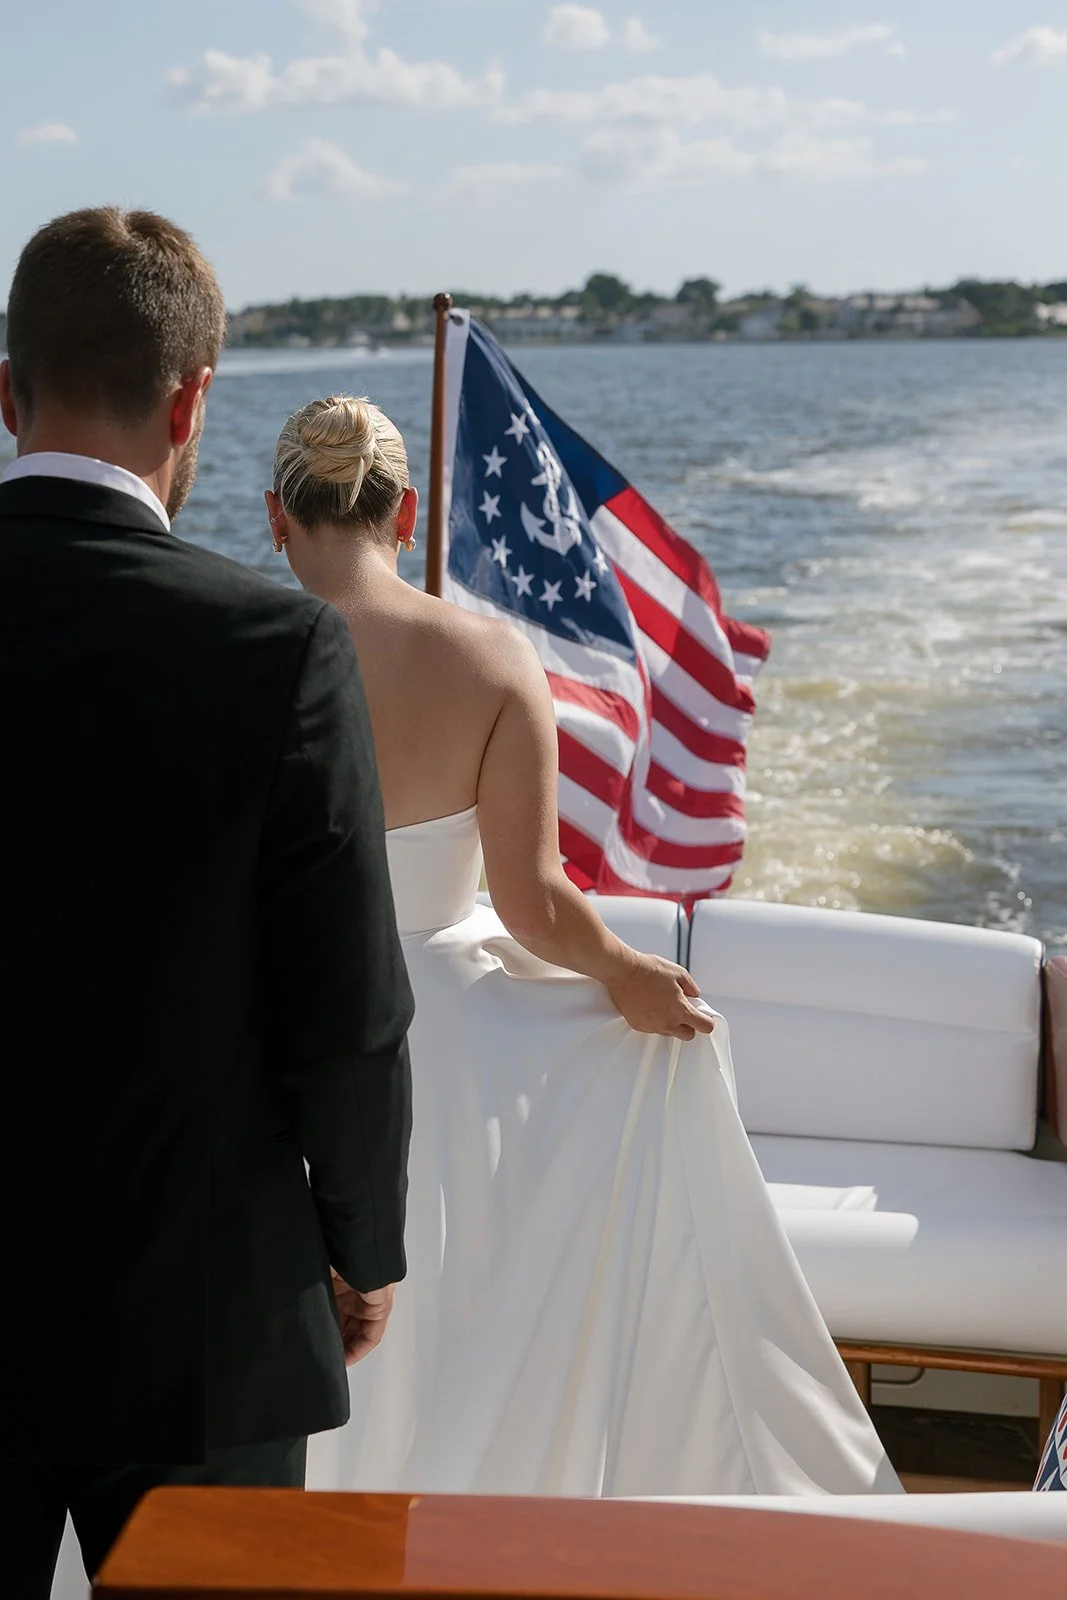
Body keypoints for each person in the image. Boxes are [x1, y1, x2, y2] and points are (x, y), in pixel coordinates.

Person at [267, 394, 901, 1498]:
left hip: (281, 1048)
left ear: (277, 518)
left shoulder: (238, 652)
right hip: (454, 1054)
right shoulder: (491, 657)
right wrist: (626, 975)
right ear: (406, 513)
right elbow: (533, 901)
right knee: (450, 1322)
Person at [0, 214, 413, 1595]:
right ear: (191, 401)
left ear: (8, 393)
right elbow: (346, 1009)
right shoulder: (277, 647)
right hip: (207, 1318)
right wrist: (357, 1247)